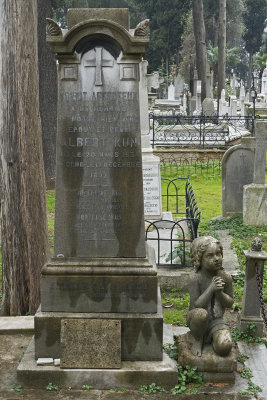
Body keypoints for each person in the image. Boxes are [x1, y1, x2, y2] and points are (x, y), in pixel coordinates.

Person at [187, 236, 234, 357]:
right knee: (202, 314)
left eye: (218, 254)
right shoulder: (195, 278)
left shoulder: (226, 277)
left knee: (225, 347)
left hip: (216, 322)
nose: (216, 259)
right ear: (199, 259)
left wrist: (220, 293)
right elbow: (196, 306)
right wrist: (211, 289)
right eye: (210, 256)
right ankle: (197, 338)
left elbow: (229, 303)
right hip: (197, 320)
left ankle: (212, 339)